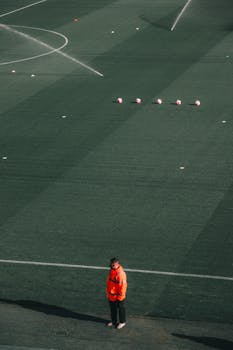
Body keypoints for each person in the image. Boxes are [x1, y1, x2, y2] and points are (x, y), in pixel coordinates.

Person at [106, 257, 127, 329]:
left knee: (121, 308)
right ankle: (114, 321)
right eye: (111, 265)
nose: (112, 266)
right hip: (111, 294)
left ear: (117, 264)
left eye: (113, 265)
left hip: (118, 295)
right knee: (113, 308)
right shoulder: (112, 270)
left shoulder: (120, 274)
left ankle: (122, 322)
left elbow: (123, 286)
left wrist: (120, 296)